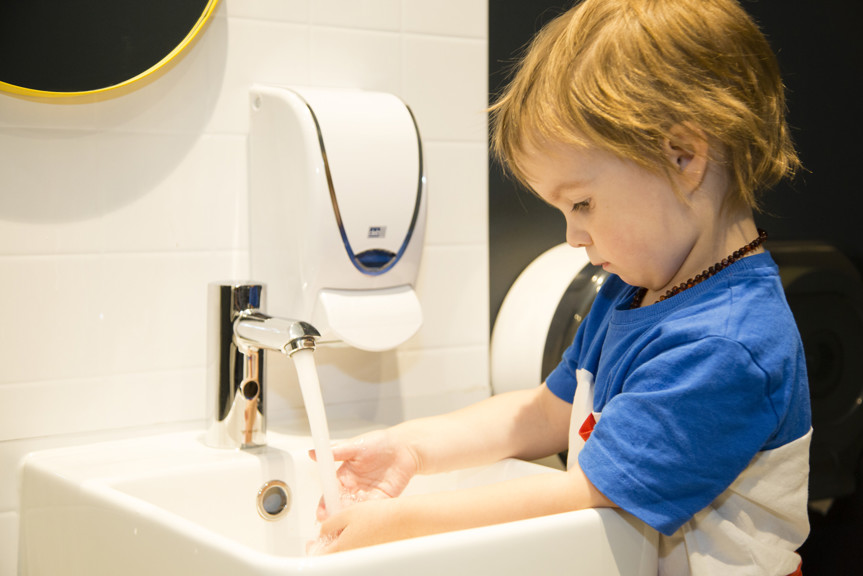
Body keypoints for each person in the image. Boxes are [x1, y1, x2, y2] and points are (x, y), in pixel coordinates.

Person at [311, 0, 812, 574]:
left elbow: (585, 494)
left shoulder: (726, 345)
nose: (573, 235)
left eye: (581, 203)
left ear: (685, 156)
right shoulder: (634, 291)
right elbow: (544, 412)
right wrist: (413, 448)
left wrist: (403, 526)